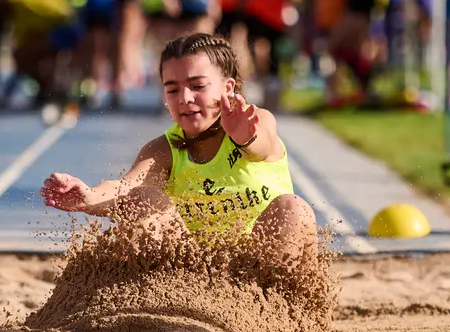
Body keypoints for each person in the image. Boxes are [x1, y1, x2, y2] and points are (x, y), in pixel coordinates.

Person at [40, 33, 317, 258]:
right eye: (172, 89)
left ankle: (274, 316)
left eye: (197, 86)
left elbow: (264, 145)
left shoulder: (257, 121)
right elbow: (126, 188)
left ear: (228, 88)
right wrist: (87, 197)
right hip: (195, 272)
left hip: (259, 269)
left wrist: (246, 137)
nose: (184, 98)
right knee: (141, 200)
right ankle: (169, 306)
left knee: (293, 209)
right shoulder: (163, 150)